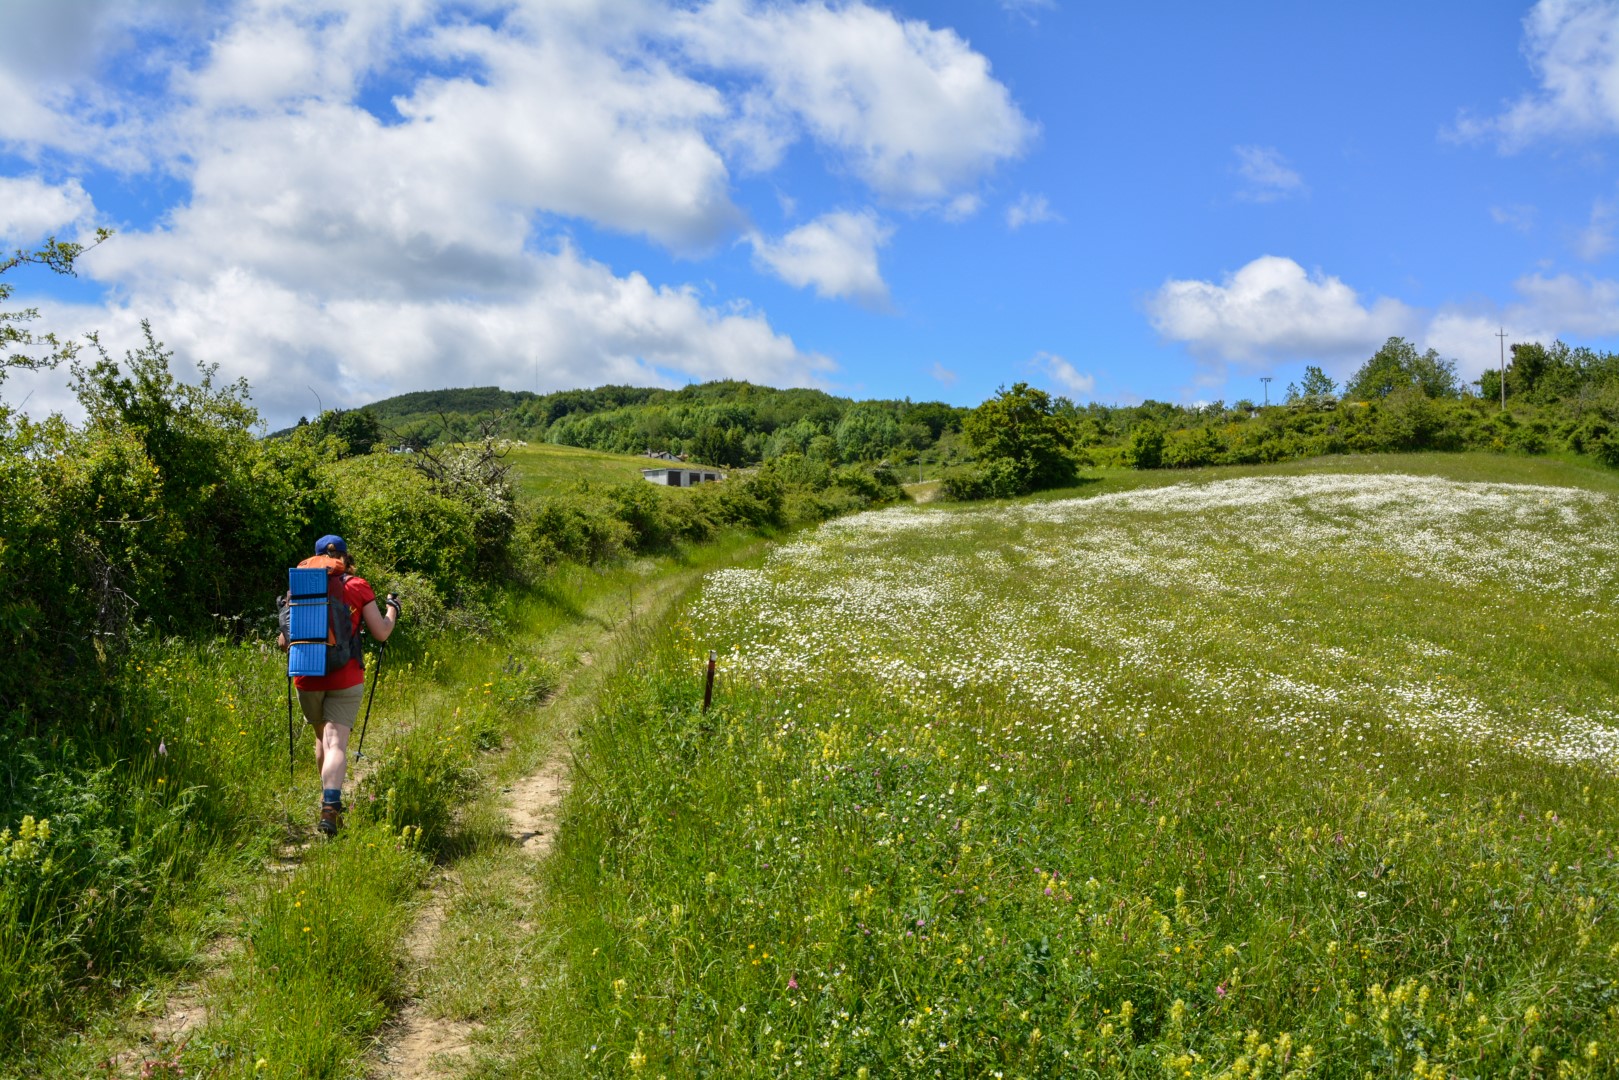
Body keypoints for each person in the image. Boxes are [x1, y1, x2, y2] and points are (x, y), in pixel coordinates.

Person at [276, 534, 400, 835]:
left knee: (321, 739)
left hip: (306, 675)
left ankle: (326, 801)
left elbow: (284, 640)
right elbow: (381, 633)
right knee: (335, 743)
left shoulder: (300, 587)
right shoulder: (357, 586)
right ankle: (330, 806)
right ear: (345, 557)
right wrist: (392, 609)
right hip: (345, 676)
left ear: (316, 557)